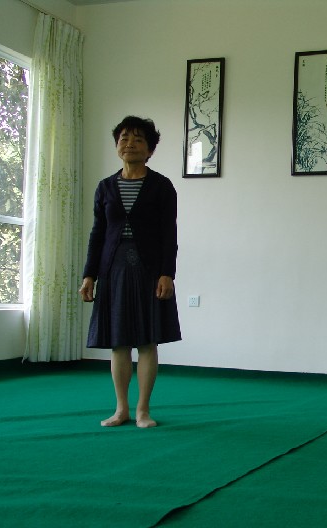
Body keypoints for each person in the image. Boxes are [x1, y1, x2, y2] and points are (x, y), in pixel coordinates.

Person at [79, 116, 181, 428]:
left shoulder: (162, 186)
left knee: (148, 341)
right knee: (119, 342)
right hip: (113, 269)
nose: (130, 144)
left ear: (150, 149)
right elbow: (97, 234)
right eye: (124, 138)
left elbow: (169, 235)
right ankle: (121, 409)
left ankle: (143, 411)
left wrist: (167, 273)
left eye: (138, 139)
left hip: (150, 270)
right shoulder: (105, 187)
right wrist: (89, 275)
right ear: (117, 145)